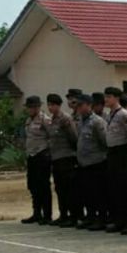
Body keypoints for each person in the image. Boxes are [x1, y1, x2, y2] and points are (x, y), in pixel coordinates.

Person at [103, 87, 127, 233]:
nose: (106, 100)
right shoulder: (110, 115)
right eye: (105, 97)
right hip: (112, 152)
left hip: (123, 152)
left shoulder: (124, 115)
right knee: (115, 187)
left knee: (126, 188)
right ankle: (119, 220)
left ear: (117, 98)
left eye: (109, 97)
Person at [74, 94, 108, 230]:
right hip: (84, 164)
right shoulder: (81, 121)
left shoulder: (97, 122)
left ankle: (101, 219)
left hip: (96, 163)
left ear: (89, 105)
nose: (79, 108)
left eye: (81, 105)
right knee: (87, 193)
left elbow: (105, 142)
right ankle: (91, 216)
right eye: (78, 106)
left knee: (98, 193)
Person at [46, 93, 79, 226]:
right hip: (56, 158)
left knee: (69, 188)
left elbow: (73, 138)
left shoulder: (65, 118)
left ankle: (73, 215)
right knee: (59, 188)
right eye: (49, 105)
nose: (50, 107)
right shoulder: (52, 119)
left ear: (58, 105)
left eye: (53, 105)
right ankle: (63, 214)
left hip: (66, 157)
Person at [22, 96, 53, 225]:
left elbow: (52, 136)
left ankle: (47, 214)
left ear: (37, 107)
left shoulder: (45, 120)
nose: (30, 109)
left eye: (32, 107)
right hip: (32, 155)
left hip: (42, 155)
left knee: (43, 186)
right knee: (33, 185)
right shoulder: (29, 120)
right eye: (28, 107)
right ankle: (36, 213)